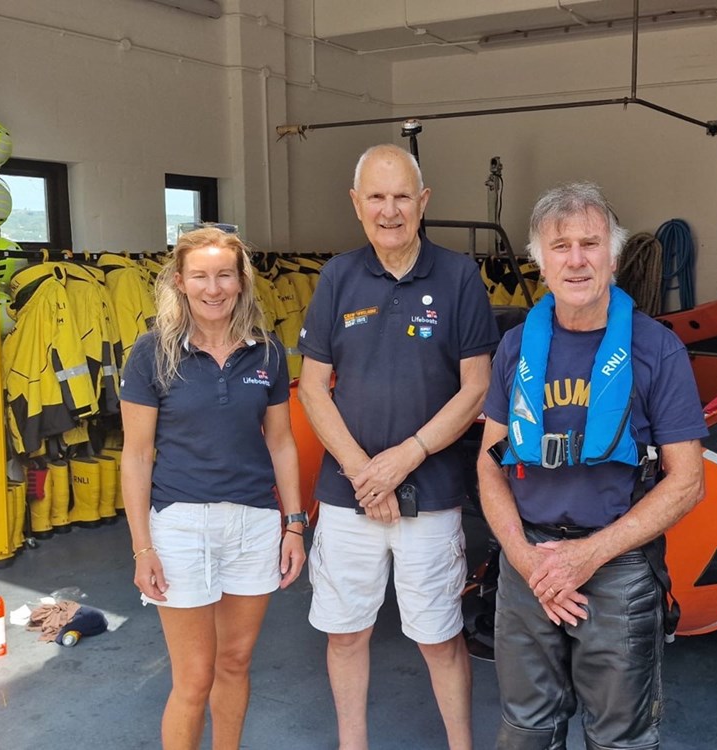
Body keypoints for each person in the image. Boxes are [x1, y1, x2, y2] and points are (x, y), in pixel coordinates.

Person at [476, 182, 709, 750]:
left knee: (619, 740)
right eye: (560, 246)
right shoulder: (514, 349)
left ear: (613, 254)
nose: (576, 259)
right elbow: (489, 465)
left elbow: (688, 480)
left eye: (590, 243)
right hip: (527, 561)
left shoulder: (657, 349)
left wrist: (587, 556)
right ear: (540, 259)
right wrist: (528, 561)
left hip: (617, 569)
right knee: (525, 731)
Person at [297, 144, 499, 750]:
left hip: (431, 494)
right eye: (377, 197)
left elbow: (478, 387)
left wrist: (405, 458)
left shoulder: (460, 276)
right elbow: (312, 388)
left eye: (402, 196)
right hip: (346, 494)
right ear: (357, 205)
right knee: (345, 633)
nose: (390, 210)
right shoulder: (337, 275)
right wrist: (365, 473)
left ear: (424, 202)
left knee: (439, 637)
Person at [120, 227, 307, 750]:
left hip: (253, 523)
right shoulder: (152, 353)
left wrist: (294, 525)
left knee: (235, 662)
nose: (214, 288)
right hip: (180, 525)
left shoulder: (267, 353)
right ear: (180, 282)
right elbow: (135, 457)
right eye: (200, 276)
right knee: (194, 677)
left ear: (241, 280)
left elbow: (282, 443)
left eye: (225, 274)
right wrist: (142, 548)